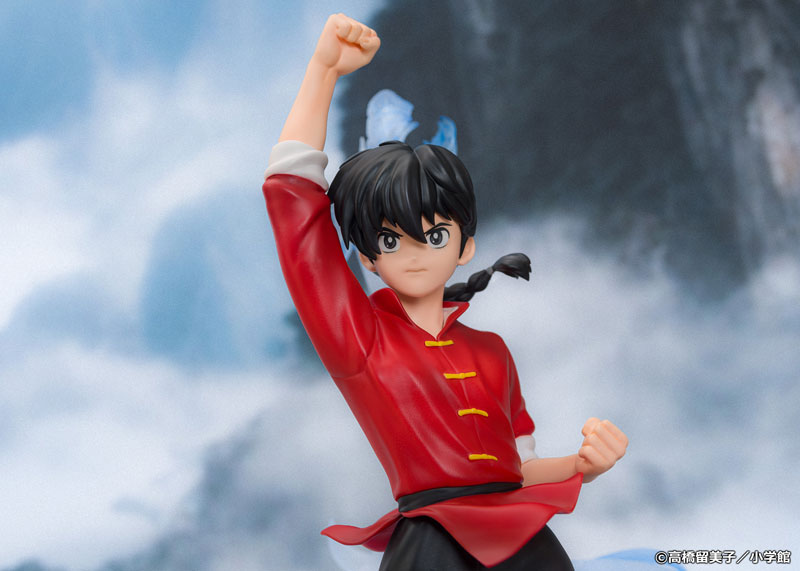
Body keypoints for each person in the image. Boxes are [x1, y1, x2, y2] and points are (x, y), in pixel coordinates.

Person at [262, 14, 628, 570]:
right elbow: (295, 209)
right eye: (390, 239)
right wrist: (322, 72)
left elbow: (519, 470)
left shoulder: (492, 352)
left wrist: (584, 465)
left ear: (465, 246)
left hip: (523, 540)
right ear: (369, 259)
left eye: (434, 235)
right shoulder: (361, 337)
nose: (413, 253)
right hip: (432, 544)